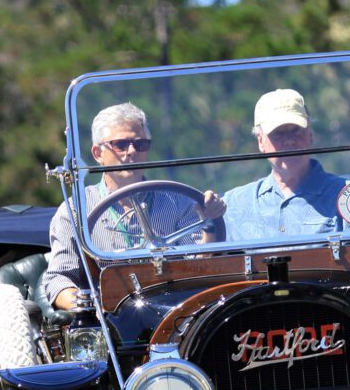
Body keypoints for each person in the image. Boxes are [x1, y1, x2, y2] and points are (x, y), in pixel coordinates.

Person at [43, 102, 225, 311]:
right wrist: (92, 309)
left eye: (140, 145)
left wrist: (208, 222)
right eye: (120, 144)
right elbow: (58, 279)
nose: (131, 152)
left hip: (175, 311)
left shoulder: (179, 202)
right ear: (98, 153)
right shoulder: (75, 210)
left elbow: (200, 268)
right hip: (111, 316)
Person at [221, 89, 348, 242]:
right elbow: (207, 255)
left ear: (310, 135)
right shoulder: (233, 204)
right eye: (278, 133)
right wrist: (209, 223)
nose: (289, 141)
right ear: (261, 141)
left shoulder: (348, 197)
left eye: (296, 130)